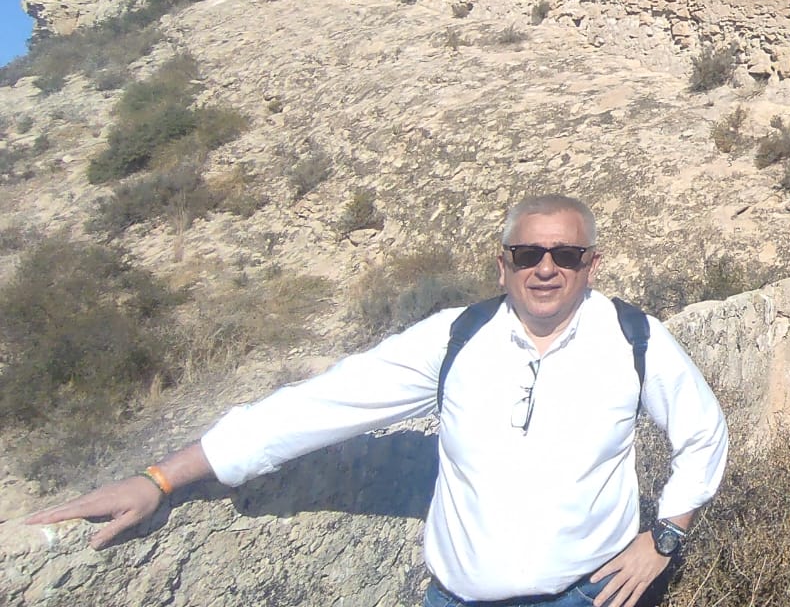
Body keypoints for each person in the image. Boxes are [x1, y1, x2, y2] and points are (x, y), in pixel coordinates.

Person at [22, 194, 727, 607]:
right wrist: (159, 479)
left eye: (566, 255)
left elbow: (703, 434)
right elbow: (318, 407)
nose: (547, 268)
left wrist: (665, 535)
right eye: (528, 254)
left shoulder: (634, 338)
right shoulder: (455, 337)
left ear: (591, 266)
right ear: (503, 262)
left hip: (587, 595)